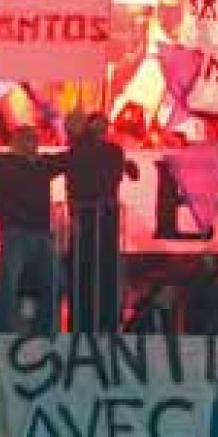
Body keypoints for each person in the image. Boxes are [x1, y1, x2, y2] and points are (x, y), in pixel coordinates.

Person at [0, 123, 67, 334]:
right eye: (28, 139)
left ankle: (45, 329)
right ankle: (5, 331)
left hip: (41, 233)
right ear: (15, 143)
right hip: (15, 232)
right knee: (10, 283)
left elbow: (70, 160)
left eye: (35, 140)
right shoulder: (2, 163)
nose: (33, 144)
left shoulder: (43, 165)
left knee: (54, 281)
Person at [66, 113, 138, 332]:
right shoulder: (80, 150)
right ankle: (83, 319)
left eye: (104, 125)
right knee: (84, 266)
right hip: (87, 212)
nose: (101, 129)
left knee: (105, 266)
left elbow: (115, 175)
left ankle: (105, 318)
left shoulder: (112, 151)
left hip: (105, 213)